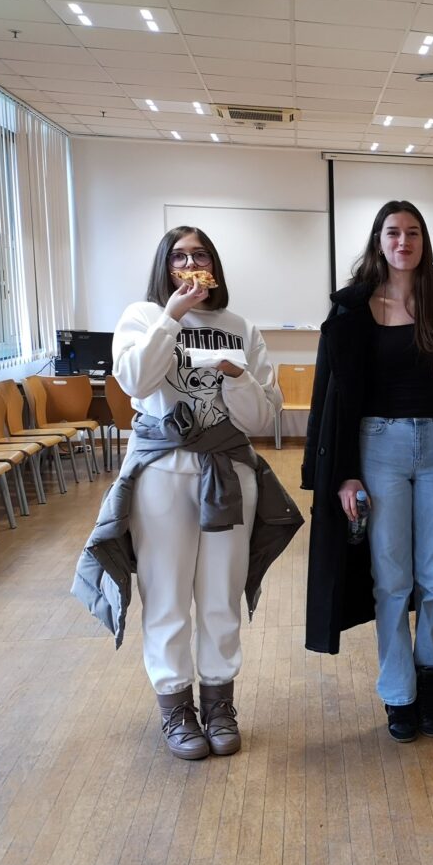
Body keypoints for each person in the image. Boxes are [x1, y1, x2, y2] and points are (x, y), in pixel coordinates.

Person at [302, 201, 433, 743]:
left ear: (424, 242)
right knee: (392, 579)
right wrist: (344, 474)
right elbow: (333, 397)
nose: (404, 242)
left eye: (413, 233)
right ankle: (398, 693)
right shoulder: (353, 309)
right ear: (379, 241)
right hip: (379, 446)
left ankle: (429, 682)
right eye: (393, 232)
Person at [86, 226, 296, 760]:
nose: (189, 264)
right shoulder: (142, 317)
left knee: (222, 595)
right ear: (165, 266)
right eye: (178, 257)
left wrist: (236, 377)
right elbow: (136, 382)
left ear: (215, 265)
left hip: (228, 471)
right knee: (167, 595)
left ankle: (220, 703)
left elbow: (259, 417)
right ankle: (175, 707)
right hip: (162, 472)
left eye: (199, 254)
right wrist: (172, 316)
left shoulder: (240, 328)